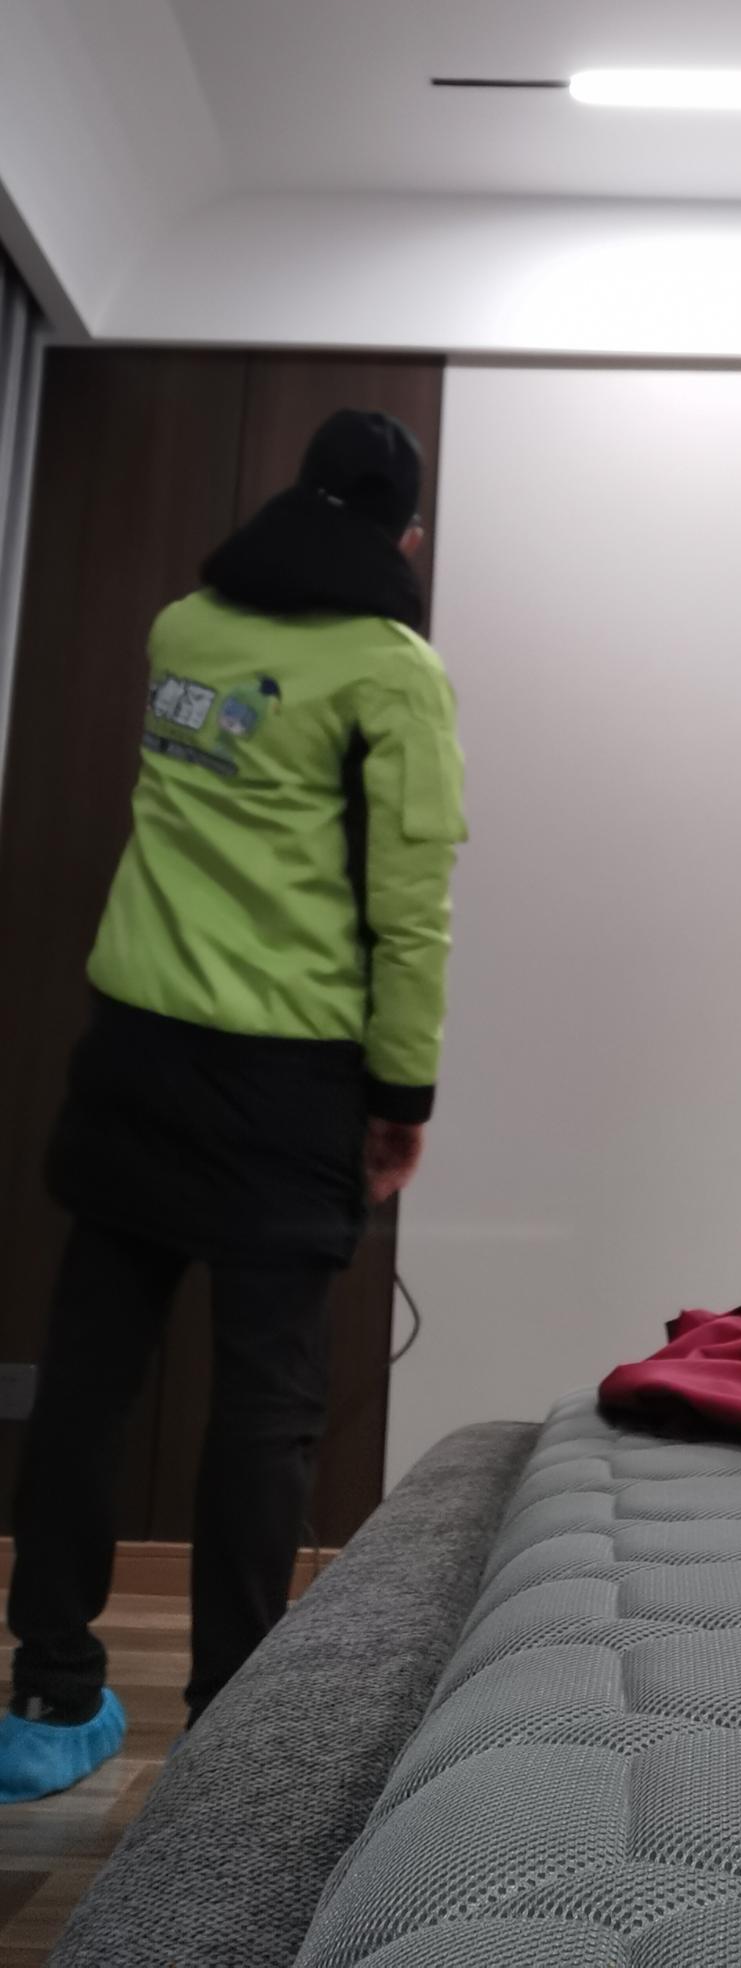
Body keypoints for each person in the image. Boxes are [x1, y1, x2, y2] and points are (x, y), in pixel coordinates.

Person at [0, 409, 466, 1802]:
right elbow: (411, 906)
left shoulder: (182, 630)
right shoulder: (394, 674)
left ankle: (48, 1697)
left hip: (134, 1058)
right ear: (407, 538)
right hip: (284, 1081)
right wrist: (402, 1092)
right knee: (265, 1410)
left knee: (90, 1379)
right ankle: (226, 1743)